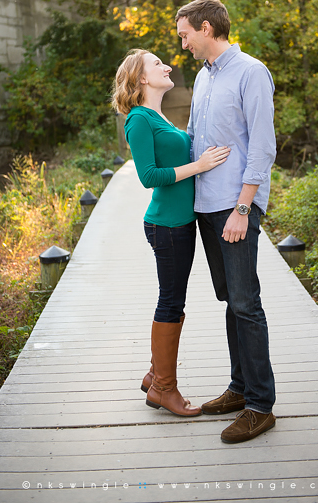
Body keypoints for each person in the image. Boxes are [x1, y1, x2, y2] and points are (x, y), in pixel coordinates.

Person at [176, 0, 276, 443]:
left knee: (246, 303)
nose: (183, 44)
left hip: (236, 206)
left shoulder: (251, 71)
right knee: (230, 301)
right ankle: (238, 388)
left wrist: (243, 207)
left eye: (184, 35)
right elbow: (196, 139)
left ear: (205, 27)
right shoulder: (201, 78)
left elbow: (263, 145)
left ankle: (259, 405)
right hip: (206, 205)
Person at [111, 48, 230, 417]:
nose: (168, 66)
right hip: (166, 225)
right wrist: (199, 165)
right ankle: (165, 387)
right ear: (142, 78)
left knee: (173, 300)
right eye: (158, 64)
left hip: (179, 223)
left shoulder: (157, 115)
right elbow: (148, 177)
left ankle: (154, 374)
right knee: (171, 302)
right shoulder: (138, 120)